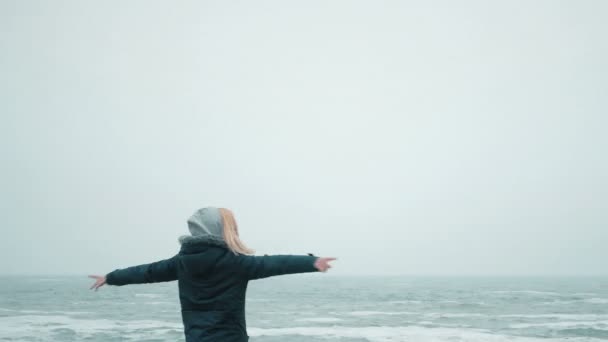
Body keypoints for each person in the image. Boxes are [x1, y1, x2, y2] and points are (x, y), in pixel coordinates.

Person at [89, 206, 336, 341]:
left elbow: (145, 272)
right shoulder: (236, 263)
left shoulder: (181, 263)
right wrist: (312, 262)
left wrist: (111, 277)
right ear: (223, 230)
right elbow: (276, 264)